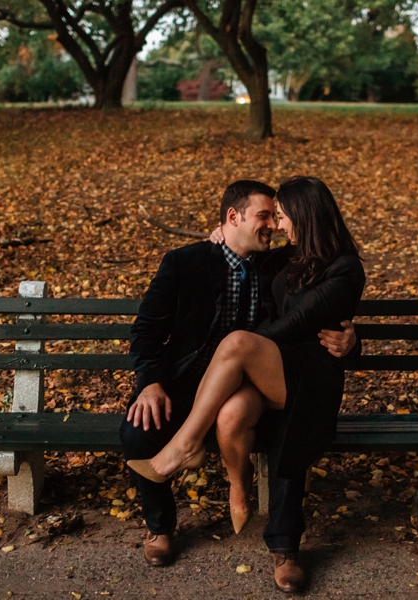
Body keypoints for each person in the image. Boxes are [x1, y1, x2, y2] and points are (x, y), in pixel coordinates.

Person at [128, 176, 366, 593]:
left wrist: (354, 340)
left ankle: (284, 547)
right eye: (267, 216)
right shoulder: (201, 261)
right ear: (232, 218)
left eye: (280, 216)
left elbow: (310, 316)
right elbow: (147, 329)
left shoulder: (313, 265)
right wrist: (149, 382)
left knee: (276, 414)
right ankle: (163, 529)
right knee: (152, 424)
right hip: (213, 382)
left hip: (293, 377)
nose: (274, 225)